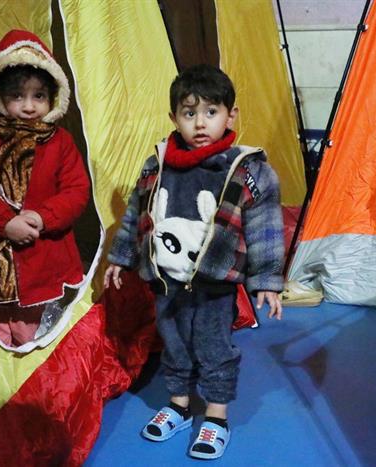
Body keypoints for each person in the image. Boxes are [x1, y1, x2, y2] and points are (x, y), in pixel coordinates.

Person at [104, 64, 284, 460]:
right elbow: (136, 213)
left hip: (214, 284)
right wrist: (120, 256)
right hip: (167, 280)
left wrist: (267, 280)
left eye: (211, 112)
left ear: (231, 115)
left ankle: (216, 417)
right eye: (189, 113)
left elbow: (266, 227)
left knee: (214, 346)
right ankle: (180, 406)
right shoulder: (157, 164)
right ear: (174, 117)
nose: (200, 123)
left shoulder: (246, 169)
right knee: (173, 343)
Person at [0, 30, 89, 348]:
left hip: (44, 256)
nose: (29, 106)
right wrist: (5, 223)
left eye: (38, 96)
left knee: (34, 337)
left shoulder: (60, 140)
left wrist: (42, 217)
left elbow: (76, 189)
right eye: (17, 96)